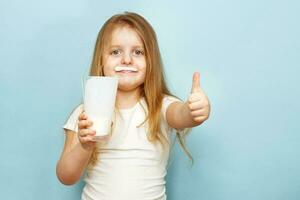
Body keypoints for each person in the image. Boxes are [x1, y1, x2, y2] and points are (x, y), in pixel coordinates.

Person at [56, 11, 211, 200]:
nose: (127, 60)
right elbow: (66, 176)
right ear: (101, 61)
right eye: (115, 52)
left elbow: (181, 115)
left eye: (138, 52)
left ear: (150, 62)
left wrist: (195, 110)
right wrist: (84, 146)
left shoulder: (160, 106)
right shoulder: (84, 114)